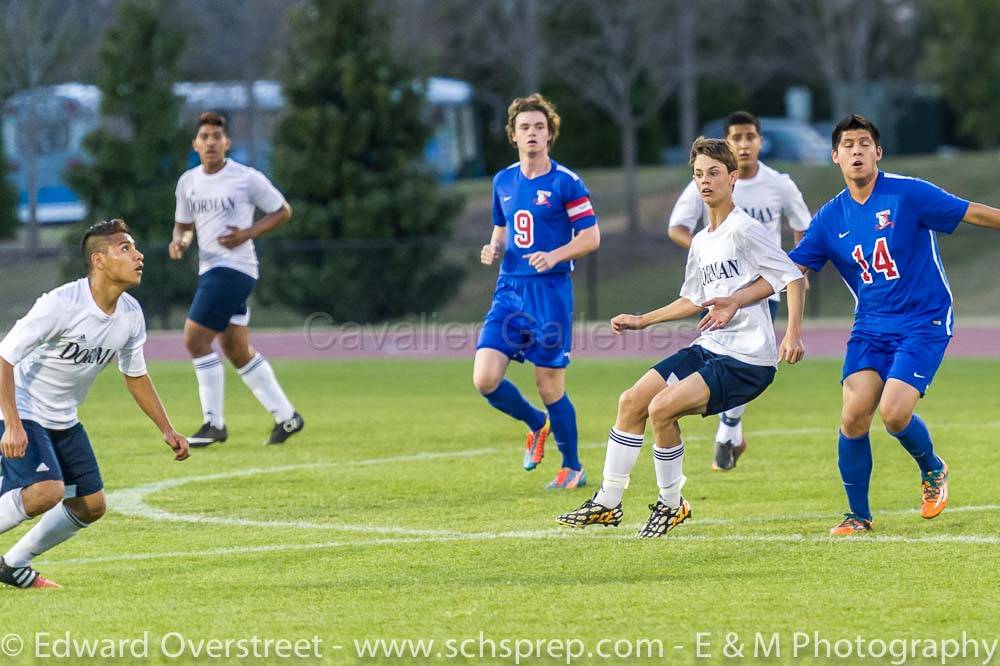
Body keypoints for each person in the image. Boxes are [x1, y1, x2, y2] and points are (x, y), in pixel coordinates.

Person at [557, 138, 805, 537]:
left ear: (732, 178)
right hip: (709, 347)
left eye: (713, 173)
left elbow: (792, 276)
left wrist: (792, 333)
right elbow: (693, 298)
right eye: (698, 175)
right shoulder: (703, 241)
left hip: (748, 360)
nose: (705, 182)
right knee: (632, 401)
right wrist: (643, 320)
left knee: (662, 409)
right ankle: (608, 501)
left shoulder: (746, 229)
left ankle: (672, 505)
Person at [788, 113, 1000, 535]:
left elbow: (972, 212)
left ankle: (933, 468)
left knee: (895, 413)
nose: (857, 151)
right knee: (853, 417)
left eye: (865, 143)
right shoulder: (831, 218)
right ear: (835, 157)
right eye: (848, 145)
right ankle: (858, 517)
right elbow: (792, 271)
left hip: (924, 320)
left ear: (878, 152)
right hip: (870, 327)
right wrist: (787, 327)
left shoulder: (908, 194)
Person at [0, 220, 189, 589]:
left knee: (91, 505)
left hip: (63, 418)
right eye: (126, 248)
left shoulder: (131, 314)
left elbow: (135, 374)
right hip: (22, 408)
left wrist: (166, 428)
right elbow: (4, 357)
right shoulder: (60, 304)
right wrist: (12, 423)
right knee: (46, 491)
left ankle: (13, 564)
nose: (138, 255)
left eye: (135, 248)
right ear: (99, 260)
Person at [668, 111, 812, 471]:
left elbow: (801, 228)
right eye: (736, 137)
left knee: (746, 353)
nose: (744, 144)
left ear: (760, 141)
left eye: (750, 137)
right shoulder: (704, 178)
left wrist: (795, 269)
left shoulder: (779, 184)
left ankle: (727, 428)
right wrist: (706, 254)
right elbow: (677, 226)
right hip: (717, 289)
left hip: (762, 290)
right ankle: (729, 429)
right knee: (717, 355)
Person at [473, 94, 600, 489]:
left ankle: (573, 467)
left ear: (550, 135)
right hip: (509, 290)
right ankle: (535, 423)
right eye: (524, 127)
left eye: (539, 127)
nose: (532, 133)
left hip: (550, 292)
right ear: (513, 136)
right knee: (485, 379)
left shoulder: (565, 182)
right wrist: (493, 247)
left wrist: (556, 255)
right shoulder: (503, 180)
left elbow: (592, 236)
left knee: (549, 384)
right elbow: (502, 227)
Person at [170, 112, 303, 447]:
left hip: (234, 269)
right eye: (205, 137)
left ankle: (213, 424)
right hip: (211, 268)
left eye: (217, 136)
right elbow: (184, 226)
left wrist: (248, 233)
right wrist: (180, 243)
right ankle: (287, 418)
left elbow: (282, 210)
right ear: (195, 144)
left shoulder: (246, 178)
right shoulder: (188, 182)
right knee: (235, 348)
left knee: (194, 340)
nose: (211, 142)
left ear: (226, 143)